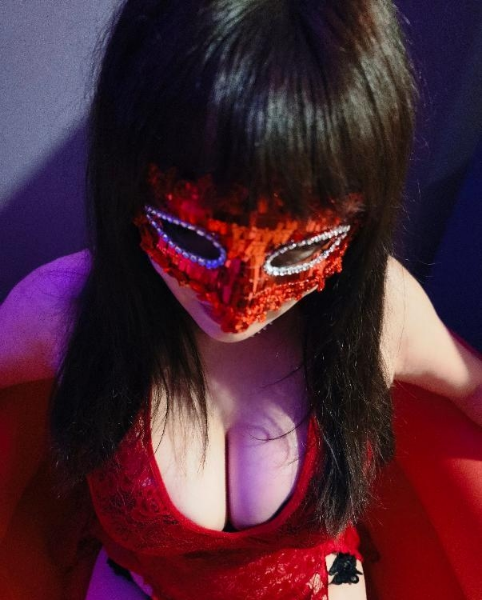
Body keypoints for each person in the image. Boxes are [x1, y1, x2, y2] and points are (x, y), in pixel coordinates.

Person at [1, 1, 481, 599]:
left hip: (324, 583)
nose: (238, 302)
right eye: (192, 237)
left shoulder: (381, 311)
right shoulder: (63, 311)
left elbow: (473, 388)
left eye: (297, 249)